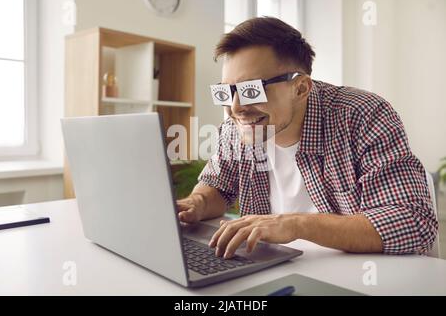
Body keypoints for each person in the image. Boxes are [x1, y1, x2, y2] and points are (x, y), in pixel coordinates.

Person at [177, 17, 438, 259]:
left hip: (359, 275)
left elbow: (413, 221)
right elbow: (218, 187)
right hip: (275, 267)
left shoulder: (361, 115)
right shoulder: (236, 130)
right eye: (226, 92)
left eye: (250, 90)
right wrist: (196, 203)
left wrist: (295, 224)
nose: (235, 108)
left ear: (300, 87)